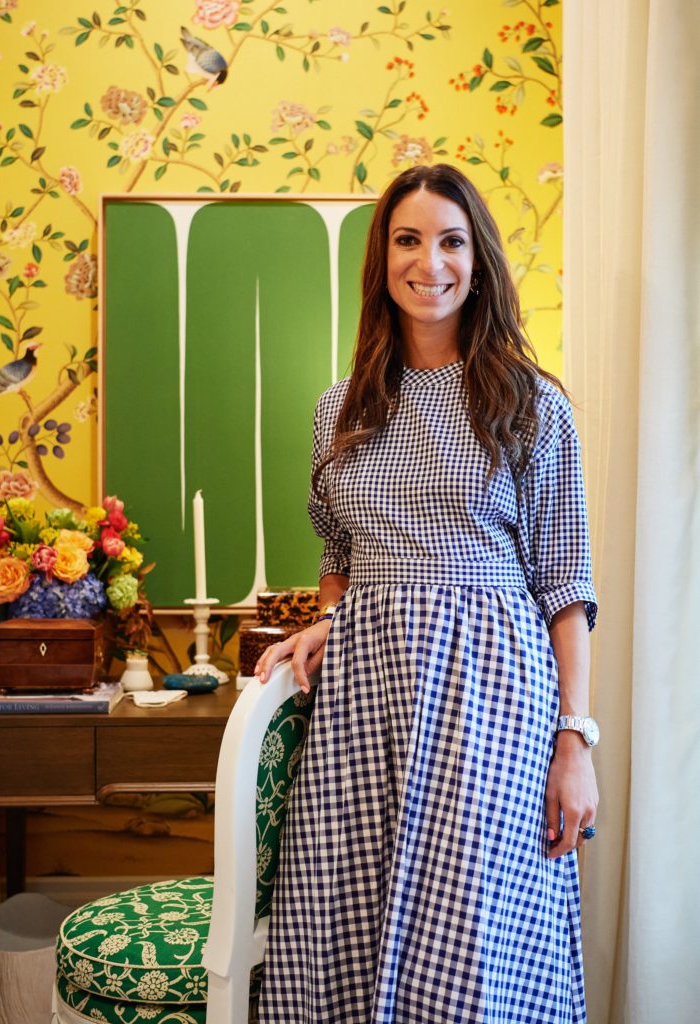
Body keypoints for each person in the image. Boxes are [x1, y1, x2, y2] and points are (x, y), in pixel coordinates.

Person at [255, 164, 599, 1024]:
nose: (429, 262)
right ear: (382, 260)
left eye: (450, 241)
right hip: (365, 698)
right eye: (407, 240)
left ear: (476, 261)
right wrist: (324, 622)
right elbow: (337, 549)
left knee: (478, 937)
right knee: (338, 913)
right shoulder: (340, 408)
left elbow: (564, 588)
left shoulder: (530, 404)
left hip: (492, 699)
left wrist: (574, 743)